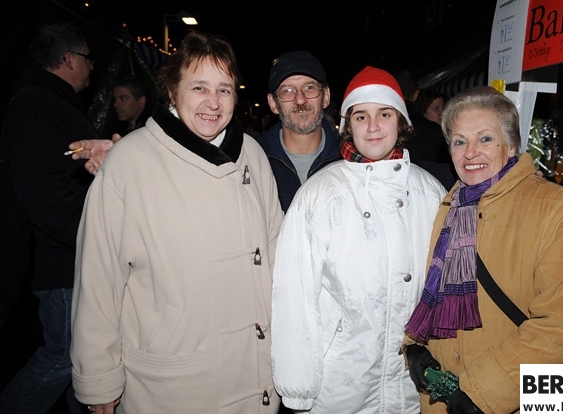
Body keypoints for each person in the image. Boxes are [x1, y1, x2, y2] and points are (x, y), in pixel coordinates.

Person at [70, 31, 283, 413]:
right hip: (173, 382)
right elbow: (98, 277)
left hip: (252, 371)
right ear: (172, 90)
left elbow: (275, 250)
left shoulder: (252, 154)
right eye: (199, 87)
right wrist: (98, 377)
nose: (213, 102)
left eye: (224, 89)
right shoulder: (130, 163)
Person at [403, 86, 563, 413]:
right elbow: (429, 294)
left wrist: (482, 393)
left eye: (485, 138)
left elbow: (561, 326)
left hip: (507, 401)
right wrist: (415, 347)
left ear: (512, 145)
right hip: (443, 399)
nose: (470, 152)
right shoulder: (448, 208)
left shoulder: (556, 207)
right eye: (459, 141)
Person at [271, 66, 447, 414]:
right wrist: (298, 389)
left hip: (412, 390)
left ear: (401, 121)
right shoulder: (320, 194)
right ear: (347, 125)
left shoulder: (429, 192)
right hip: (339, 391)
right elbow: (294, 296)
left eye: (384, 114)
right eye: (361, 116)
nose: (373, 126)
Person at [0, 21, 98, 414]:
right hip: (62, 263)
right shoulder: (37, 108)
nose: (92, 67)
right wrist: (93, 240)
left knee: (82, 362)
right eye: (88, 58)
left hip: (68, 258)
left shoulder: (51, 104)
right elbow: (46, 197)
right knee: (67, 357)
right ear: (69, 59)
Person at [251, 50, 341, 212]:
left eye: (309, 88)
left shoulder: (347, 157)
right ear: (273, 103)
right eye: (287, 91)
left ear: (326, 96)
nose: (300, 100)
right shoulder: (253, 157)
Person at [393, 69, 455, 190]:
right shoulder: (435, 133)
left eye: (443, 108)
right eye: (436, 109)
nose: (442, 113)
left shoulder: (383, 130)